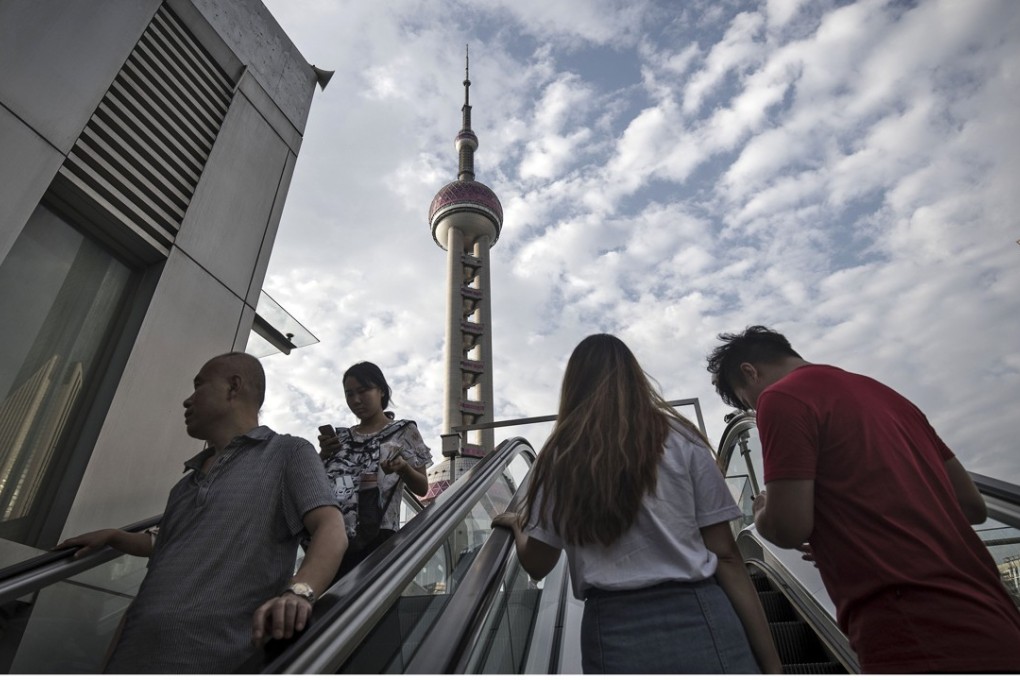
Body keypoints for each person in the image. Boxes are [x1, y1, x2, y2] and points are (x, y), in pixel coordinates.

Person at [706, 325, 1020, 673]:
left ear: (750, 371)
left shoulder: (781, 397)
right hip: (992, 612)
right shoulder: (888, 395)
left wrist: (764, 512)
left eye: (746, 399)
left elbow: (788, 529)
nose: (755, 409)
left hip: (909, 622)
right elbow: (972, 507)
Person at [491, 334, 782, 674]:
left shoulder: (558, 455)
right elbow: (728, 555)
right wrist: (773, 666)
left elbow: (538, 564)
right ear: (633, 376)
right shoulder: (682, 438)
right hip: (701, 613)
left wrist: (518, 524)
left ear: (573, 384)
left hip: (612, 629)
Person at [55, 352, 346, 673]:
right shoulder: (183, 487)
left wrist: (300, 592)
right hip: (130, 657)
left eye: (199, 385)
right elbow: (165, 548)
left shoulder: (288, 452)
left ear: (233, 388)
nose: (187, 400)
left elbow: (331, 527)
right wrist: (115, 537)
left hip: (218, 660)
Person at [318, 361, 432, 577]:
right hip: (331, 535)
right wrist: (323, 454)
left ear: (381, 390)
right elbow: (315, 482)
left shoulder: (404, 431)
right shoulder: (340, 438)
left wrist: (403, 468)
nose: (356, 400)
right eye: (349, 394)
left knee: (370, 603)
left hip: (379, 535)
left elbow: (422, 487)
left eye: (363, 391)